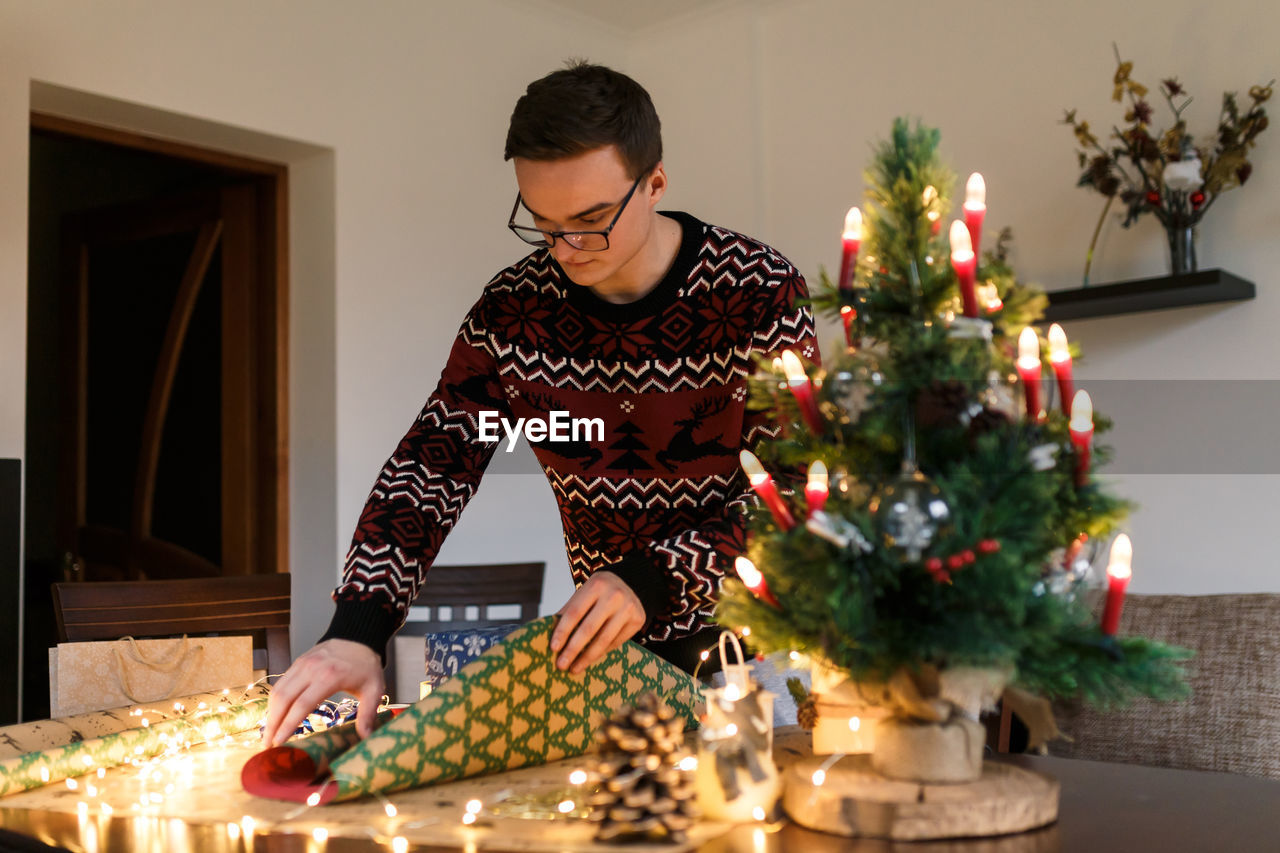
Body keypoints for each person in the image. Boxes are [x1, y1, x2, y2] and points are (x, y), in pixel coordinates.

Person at [262, 61, 818, 746]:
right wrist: (359, 628)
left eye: (590, 220)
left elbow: (796, 490)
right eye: (544, 223)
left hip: (759, 654)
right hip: (613, 665)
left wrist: (652, 579)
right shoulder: (512, 312)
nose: (567, 249)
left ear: (655, 183)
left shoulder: (758, 289)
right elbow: (431, 466)